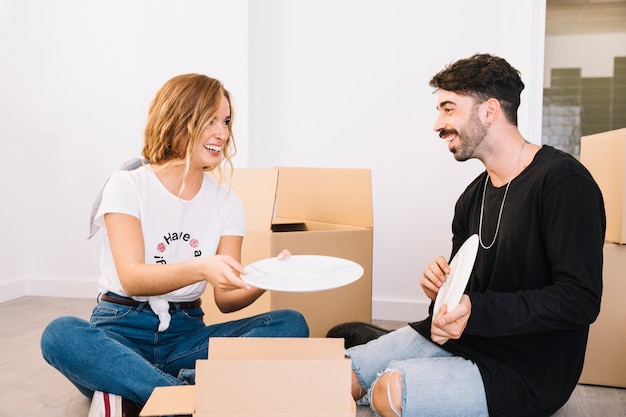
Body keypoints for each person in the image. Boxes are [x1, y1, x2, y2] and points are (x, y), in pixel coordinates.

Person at [341, 54, 606, 417]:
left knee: (388, 391)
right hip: (468, 341)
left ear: (489, 111)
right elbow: (461, 299)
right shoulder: (472, 197)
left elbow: (579, 300)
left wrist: (474, 310)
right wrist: (441, 293)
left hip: (529, 369)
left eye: (449, 109)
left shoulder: (564, 183)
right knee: (340, 376)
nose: (438, 124)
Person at [40, 74, 309, 417]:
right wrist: (200, 267)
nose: (222, 133)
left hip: (185, 338)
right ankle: (188, 394)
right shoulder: (127, 185)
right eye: (210, 120)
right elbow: (132, 278)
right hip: (120, 331)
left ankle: (151, 391)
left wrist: (268, 276)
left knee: (291, 323)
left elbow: (225, 301)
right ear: (179, 118)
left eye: (225, 122)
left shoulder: (227, 203)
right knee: (60, 334)